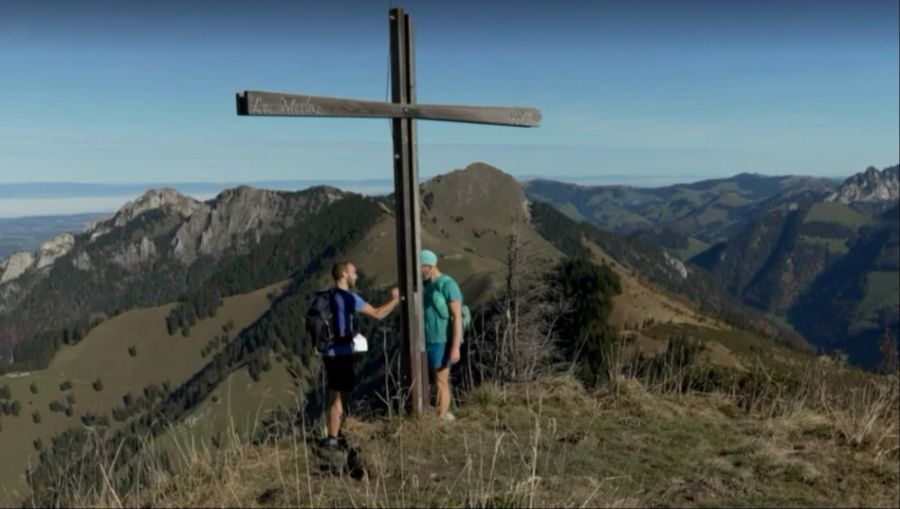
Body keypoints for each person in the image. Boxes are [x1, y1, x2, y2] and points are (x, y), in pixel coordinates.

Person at [322, 261, 399, 450]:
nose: (356, 276)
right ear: (343, 275)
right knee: (340, 396)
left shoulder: (329, 295)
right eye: (353, 273)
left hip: (330, 351)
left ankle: (336, 436)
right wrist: (395, 299)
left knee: (336, 394)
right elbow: (378, 314)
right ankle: (334, 439)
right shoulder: (350, 298)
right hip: (343, 353)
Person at [421, 249, 464, 422]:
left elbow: (457, 317)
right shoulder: (427, 285)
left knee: (441, 381)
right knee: (433, 380)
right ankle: (440, 413)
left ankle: (441, 418)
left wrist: (455, 347)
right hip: (428, 339)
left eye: (420, 267)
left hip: (442, 341)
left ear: (429, 267)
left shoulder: (448, 285)